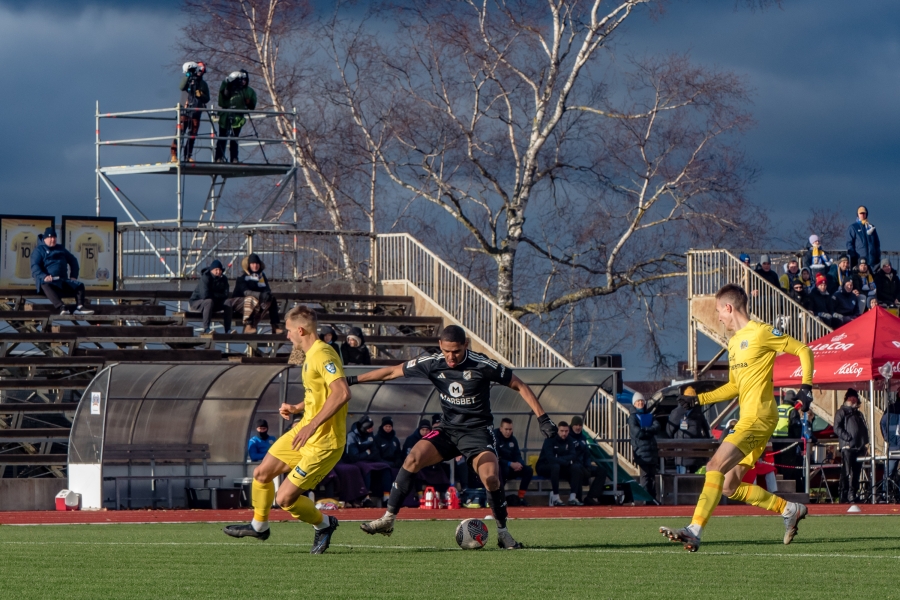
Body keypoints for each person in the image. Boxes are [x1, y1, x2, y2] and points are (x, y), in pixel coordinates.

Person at [352, 325, 557, 549]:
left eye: (457, 352)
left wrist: (543, 418)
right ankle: (388, 520)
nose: (451, 357)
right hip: (448, 430)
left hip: (477, 432)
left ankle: (503, 532)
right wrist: (352, 380)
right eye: (447, 351)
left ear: (465, 345)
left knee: (490, 478)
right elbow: (391, 372)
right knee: (412, 458)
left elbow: (519, 385)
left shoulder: (482, 364)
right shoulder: (432, 362)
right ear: (441, 345)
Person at [660, 283, 813, 552]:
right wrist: (699, 399)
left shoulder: (762, 332)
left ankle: (694, 530)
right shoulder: (732, 344)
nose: (719, 317)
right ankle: (789, 509)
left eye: (719, 311)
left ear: (729, 308)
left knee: (713, 467)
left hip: (758, 418)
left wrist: (806, 386)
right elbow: (734, 386)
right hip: (750, 420)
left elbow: (804, 350)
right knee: (730, 485)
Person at [223, 305, 349, 554]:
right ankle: (259, 526)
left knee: (285, 499)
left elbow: (342, 393)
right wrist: (297, 408)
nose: (287, 335)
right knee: (261, 474)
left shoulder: (323, 354)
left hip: (324, 442)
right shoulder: (310, 355)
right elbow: (320, 394)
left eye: (289, 331)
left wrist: (311, 425)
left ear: (300, 329)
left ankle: (324, 524)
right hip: (305, 430)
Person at [30, 227, 94, 316]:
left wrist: (73, 276)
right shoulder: (39, 250)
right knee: (44, 284)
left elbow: (73, 260)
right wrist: (44, 276)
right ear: (45, 239)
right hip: (49, 282)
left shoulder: (61, 249)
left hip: (62, 281)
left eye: (54, 237)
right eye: (50, 237)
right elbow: (35, 266)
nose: (53, 239)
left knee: (79, 285)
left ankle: (79, 307)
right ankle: (61, 307)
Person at [344, 415, 393, 507]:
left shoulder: (370, 435)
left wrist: (365, 454)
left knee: (386, 467)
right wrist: (367, 452)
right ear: (364, 428)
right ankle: (365, 497)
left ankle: (386, 497)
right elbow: (354, 456)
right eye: (369, 427)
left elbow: (375, 452)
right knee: (366, 469)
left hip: (369, 460)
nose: (372, 429)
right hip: (354, 462)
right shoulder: (352, 436)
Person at [170, 61, 210, 162]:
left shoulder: (203, 84)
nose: (200, 71)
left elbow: (207, 98)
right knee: (180, 133)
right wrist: (188, 75)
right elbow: (181, 87)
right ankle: (174, 155)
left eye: (202, 69)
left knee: (193, 134)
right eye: (199, 68)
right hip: (185, 110)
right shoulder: (187, 79)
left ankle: (188, 156)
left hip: (196, 111)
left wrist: (200, 94)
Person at [536, 421, 583, 506]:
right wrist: (564, 461)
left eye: (566, 431)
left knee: (576, 467)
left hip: (561, 466)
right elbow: (550, 458)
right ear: (558, 431)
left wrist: (560, 459)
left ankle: (573, 497)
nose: (564, 433)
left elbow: (573, 455)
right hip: (544, 466)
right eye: (562, 431)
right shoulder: (550, 439)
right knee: (555, 466)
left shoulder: (569, 440)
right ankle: (555, 496)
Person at [834, 389, 868, 503]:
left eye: (855, 398)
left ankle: (853, 493)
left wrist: (864, 443)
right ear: (847, 399)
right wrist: (847, 437)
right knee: (847, 472)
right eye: (851, 398)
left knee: (857, 473)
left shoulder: (858, 414)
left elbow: (863, 429)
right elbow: (837, 427)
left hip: (859, 447)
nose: (854, 400)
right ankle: (845, 494)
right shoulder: (841, 412)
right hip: (847, 447)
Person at [215, 69, 257, 163]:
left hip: (238, 117)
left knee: (234, 137)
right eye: (241, 79)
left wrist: (249, 103)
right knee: (222, 137)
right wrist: (230, 84)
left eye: (245, 80)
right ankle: (218, 157)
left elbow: (252, 106)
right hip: (225, 115)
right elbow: (223, 96)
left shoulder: (248, 91)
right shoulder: (228, 87)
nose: (243, 82)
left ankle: (234, 158)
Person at [232, 253, 280, 333]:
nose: (255, 266)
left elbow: (266, 288)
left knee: (272, 299)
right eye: (253, 263)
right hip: (240, 304)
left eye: (257, 263)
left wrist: (266, 295)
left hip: (256, 303)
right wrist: (260, 295)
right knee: (250, 299)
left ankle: (275, 326)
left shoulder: (261, 277)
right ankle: (248, 325)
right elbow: (246, 292)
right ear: (249, 265)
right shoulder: (242, 277)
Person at [665, 395, 711, 474]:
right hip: (694, 453)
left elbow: (669, 430)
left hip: (683, 453)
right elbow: (706, 431)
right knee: (694, 478)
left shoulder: (677, 412)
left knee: (681, 480)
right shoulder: (698, 412)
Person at [569, 415, 608, 505]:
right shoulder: (568, 437)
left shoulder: (583, 437)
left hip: (584, 465)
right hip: (573, 466)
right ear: (572, 426)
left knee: (602, 471)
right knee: (577, 470)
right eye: (576, 425)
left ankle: (591, 496)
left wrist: (588, 465)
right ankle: (577, 498)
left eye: (580, 425)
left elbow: (587, 453)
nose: (578, 427)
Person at [628, 394, 660, 502]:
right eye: (638, 402)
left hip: (651, 451)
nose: (640, 403)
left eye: (642, 401)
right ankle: (646, 499)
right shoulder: (632, 417)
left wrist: (645, 429)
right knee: (645, 476)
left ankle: (653, 499)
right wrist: (649, 430)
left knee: (653, 477)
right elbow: (637, 433)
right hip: (641, 452)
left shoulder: (649, 415)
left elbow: (657, 427)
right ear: (634, 404)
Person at [495, 418, 533, 506]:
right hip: (500, 467)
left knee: (528, 470)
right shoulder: (495, 439)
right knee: (504, 470)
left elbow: (517, 454)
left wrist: (520, 464)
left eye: (510, 429)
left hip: (512, 467)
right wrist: (510, 464)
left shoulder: (513, 439)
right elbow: (495, 458)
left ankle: (521, 497)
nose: (508, 432)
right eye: (506, 429)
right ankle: (498, 497)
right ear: (501, 429)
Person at [189, 259, 234, 334]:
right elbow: (205, 295)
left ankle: (228, 330)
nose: (218, 272)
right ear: (211, 270)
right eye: (216, 269)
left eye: (220, 270)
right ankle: (206, 329)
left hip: (214, 303)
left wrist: (214, 295)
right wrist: (218, 295)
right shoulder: (205, 277)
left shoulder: (224, 279)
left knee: (228, 302)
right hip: (197, 302)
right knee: (209, 301)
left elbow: (226, 295)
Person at [772, 391, 803, 484]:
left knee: (778, 464)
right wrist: (799, 443)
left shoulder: (777, 409)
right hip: (788, 442)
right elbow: (796, 428)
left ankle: (778, 484)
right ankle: (787, 485)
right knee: (788, 466)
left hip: (776, 441)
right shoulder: (792, 410)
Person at [846, 205, 881, 269]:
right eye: (860, 213)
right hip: (859, 261)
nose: (862, 215)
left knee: (872, 278)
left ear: (866, 214)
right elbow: (849, 243)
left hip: (872, 262)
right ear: (858, 215)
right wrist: (853, 257)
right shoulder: (853, 227)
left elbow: (877, 243)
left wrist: (877, 256)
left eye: (864, 213)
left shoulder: (871, 227)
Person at [880, 397, 900, 493]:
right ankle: (886, 493)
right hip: (894, 445)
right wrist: (887, 437)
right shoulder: (891, 408)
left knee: (889, 471)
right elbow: (882, 423)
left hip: (894, 444)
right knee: (889, 472)